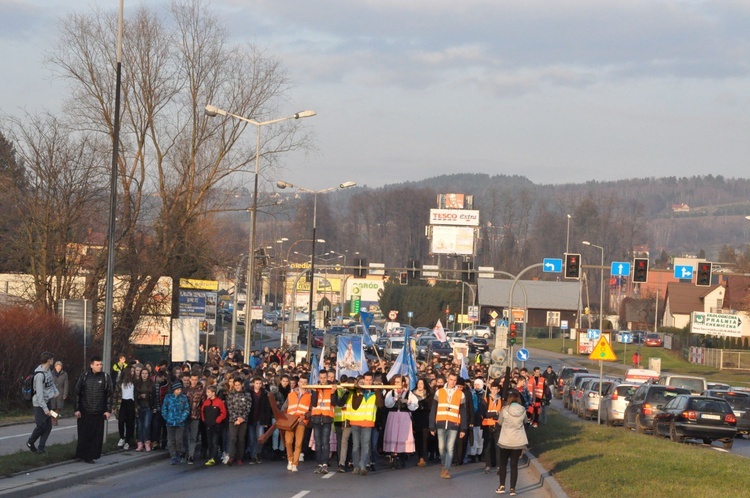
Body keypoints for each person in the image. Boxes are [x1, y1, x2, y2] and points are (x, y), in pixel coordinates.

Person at [339, 371, 383, 475]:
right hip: (356, 421)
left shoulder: (374, 391)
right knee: (356, 445)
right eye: (366, 380)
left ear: (372, 380)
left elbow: (380, 405)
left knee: (366, 445)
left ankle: (363, 465)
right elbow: (354, 405)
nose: (368, 382)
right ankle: (356, 466)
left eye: (370, 380)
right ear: (363, 380)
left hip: (368, 422)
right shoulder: (357, 391)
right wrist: (360, 392)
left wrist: (377, 391)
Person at [74, 355, 114, 464]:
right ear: (91, 365)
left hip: (99, 411)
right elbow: (77, 393)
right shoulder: (84, 376)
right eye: (97, 364)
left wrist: (108, 410)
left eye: (100, 364)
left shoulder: (105, 377)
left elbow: (109, 394)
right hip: (85, 410)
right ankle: (81, 454)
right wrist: (77, 409)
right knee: (84, 434)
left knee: (96, 436)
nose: (99, 366)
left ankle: (91, 456)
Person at [429, 372, 468, 479]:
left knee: (450, 448)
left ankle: (447, 469)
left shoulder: (461, 394)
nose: (453, 382)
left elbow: (463, 412)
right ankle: (443, 464)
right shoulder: (439, 392)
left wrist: (463, 428)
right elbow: (434, 409)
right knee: (441, 447)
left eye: (455, 380)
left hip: (454, 423)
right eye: (451, 379)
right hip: (440, 422)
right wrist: (431, 425)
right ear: (447, 379)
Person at [496, 392, 529, 496]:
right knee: (514, 465)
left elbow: (500, 422)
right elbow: (525, 421)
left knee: (503, 463)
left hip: (505, 440)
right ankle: (512, 488)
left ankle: (502, 486)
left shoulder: (505, 409)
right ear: (518, 399)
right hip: (518, 440)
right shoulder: (523, 410)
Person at [27, 351, 59, 454]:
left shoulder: (48, 371)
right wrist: (45, 409)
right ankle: (30, 442)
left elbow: (51, 383)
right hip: (39, 404)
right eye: (52, 359)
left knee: (48, 426)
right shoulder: (39, 375)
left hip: (48, 401)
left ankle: (41, 448)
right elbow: (39, 395)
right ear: (49, 360)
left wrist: (55, 391)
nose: (53, 361)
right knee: (41, 426)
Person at [383, 374, 418, 469]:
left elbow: (415, 405)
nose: (396, 384)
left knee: (403, 436)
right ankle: (394, 458)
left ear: (403, 383)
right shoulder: (391, 392)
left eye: (398, 382)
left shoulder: (408, 393)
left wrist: (407, 402)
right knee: (393, 435)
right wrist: (395, 399)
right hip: (393, 416)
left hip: (404, 416)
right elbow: (387, 403)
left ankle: (402, 457)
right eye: (395, 382)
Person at [310, 369, 337, 474]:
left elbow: (334, 403)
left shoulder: (332, 387)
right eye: (321, 378)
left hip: (327, 418)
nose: (323, 380)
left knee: (325, 442)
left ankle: (325, 463)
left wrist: (333, 393)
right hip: (316, 417)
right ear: (319, 378)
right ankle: (319, 463)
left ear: (327, 377)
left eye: (325, 378)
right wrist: (315, 391)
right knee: (318, 442)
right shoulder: (315, 387)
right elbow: (314, 403)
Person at [282, 377, 311, 472]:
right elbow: (284, 408)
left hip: (301, 421)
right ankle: (290, 459)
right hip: (290, 420)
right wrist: (284, 418)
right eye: (301, 381)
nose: (303, 383)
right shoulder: (290, 395)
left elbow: (311, 410)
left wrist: (305, 416)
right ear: (298, 383)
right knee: (288, 442)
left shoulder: (309, 396)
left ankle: (295, 463)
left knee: (298, 443)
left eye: (305, 382)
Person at [162, 380, 190, 465]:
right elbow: (164, 408)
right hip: (170, 422)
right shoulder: (168, 397)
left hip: (179, 422)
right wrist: (167, 418)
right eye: (177, 389)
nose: (179, 391)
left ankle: (179, 452)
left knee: (179, 439)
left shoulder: (183, 398)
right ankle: (173, 456)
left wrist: (182, 418)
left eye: (180, 389)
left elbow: (186, 409)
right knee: (171, 440)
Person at [226, 377, 252, 465]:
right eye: (236, 385)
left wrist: (242, 418)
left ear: (242, 385)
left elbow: (248, 407)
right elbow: (230, 408)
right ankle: (231, 457)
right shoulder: (230, 395)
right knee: (232, 439)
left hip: (243, 420)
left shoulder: (247, 394)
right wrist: (236, 419)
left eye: (239, 385)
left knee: (241, 439)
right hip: (233, 420)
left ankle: (240, 457)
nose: (237, 387)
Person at [201, 384, 227, 466]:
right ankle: (211, 457)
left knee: (215, 441)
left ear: (213, 393)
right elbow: (202, 412)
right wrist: (204, 420)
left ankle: (213, 457)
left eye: (208, 392)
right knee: (210, 442)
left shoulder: (219, 402)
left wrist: (218, 420)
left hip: (216, 426)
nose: (207, 394)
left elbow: (223, 413)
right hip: (208, 425)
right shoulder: (206, 402)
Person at [184, 371, 206, 464]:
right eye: (192, 380)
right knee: (185, 436)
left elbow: (203, 404)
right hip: (185, 416)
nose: (194, 382)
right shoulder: (185, 389)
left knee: (193, 436)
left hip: (195, 416)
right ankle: (185, 452)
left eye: (195, 380)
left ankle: (191, 455)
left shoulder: (201, 390)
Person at [482, 381, 503, 473]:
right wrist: (496, 413)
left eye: (496, 389)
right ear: (490, 389)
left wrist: (494, 414)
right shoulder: (486, 399)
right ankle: (488, 465)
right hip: (487, 425)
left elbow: (502, 413)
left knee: (498, 446)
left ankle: (499, 465)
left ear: (498, 390)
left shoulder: (501, 400)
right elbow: (484, 413)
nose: (494, 391)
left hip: (498, 425)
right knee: (488, 446)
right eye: (492, 389)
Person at [411, 378, 432, 467]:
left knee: (424, 439)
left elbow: (431, 407)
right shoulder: (412, 394)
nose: (420, 385)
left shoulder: (429, 395)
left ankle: (423, 458)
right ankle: (420, 456)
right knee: (418, 439)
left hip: (426, 419)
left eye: (422, 384)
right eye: (418, 383)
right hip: (416, 419)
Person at [116, 367, 136, 450]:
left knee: (130, 422)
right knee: (121, 421)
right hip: (122, 403)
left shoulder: (134, 383)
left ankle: (128, 441)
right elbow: (116, 395)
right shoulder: (120, 383)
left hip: (131, 403)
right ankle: (122, 437)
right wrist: (114, 406)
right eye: (131, 371)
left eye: (133, 371)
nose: (132, 373)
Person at [135, 367, 154, 451]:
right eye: (143, 373)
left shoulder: (151, 384)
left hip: (148, 407)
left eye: (146, 373)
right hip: (139, 406)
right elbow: (134, 396)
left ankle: (147, 442)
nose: (144, 375)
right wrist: (139, 396)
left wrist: (147, 396)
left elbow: (154, 396)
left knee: (146, 425)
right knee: (139, 426)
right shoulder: (137, 384)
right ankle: (140, 443)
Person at [49, 361, 69, 426]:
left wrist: (65, 394)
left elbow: (66, 384)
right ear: (55, 367)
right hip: (52, 393)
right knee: (52, 408)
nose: (59, 367)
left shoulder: (64, 374)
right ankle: (53, 419)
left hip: (60, 393)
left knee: (58, 408)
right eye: (57, 366)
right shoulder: (51, 373)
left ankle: (55, 421)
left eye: (60, 366)